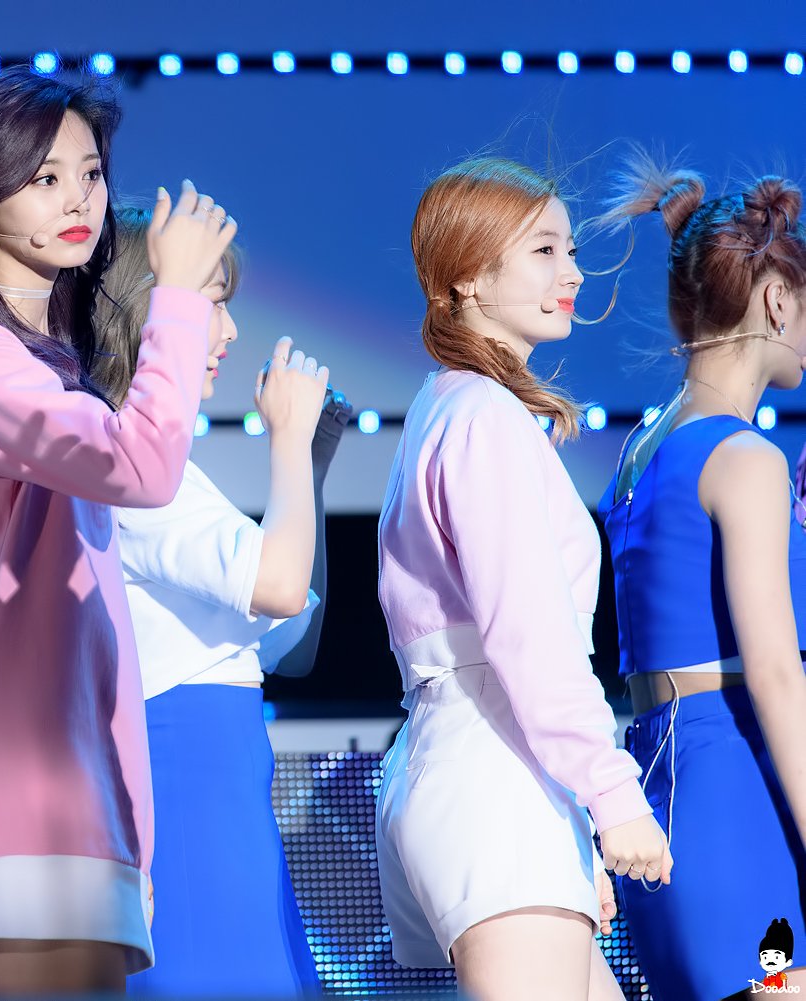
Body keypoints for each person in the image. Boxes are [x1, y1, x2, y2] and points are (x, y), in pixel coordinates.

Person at [0, 70, 236, 994]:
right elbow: (143, 467)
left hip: (47, 799)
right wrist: (179, 298)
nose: (78, 198)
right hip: (21, 803)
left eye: (90, 173)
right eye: (44, 179)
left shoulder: (32, 365)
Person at [375, 157, 671, 1001]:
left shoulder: (451, 406)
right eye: (545, 250)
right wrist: (611, 794)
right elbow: (531, 639)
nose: (572, 272)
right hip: (493, 782)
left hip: (491, 775)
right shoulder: (482, 418)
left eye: (569, 249)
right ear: (468, 275)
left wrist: (573, 815)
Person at [91, 206, 351, 995]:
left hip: (226, 797)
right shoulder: (137, 473)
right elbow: (277, 584)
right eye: (214, 301)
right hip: (188, 794)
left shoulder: (163, 472)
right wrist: (287, 446)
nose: (230, 332)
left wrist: (306, 470)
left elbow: (291, 639)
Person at [596, 160, 806, 1001]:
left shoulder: (641, 445)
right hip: (734, 793)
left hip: (662, 788)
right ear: (778, 301)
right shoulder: (746, 456)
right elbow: (777, 672)